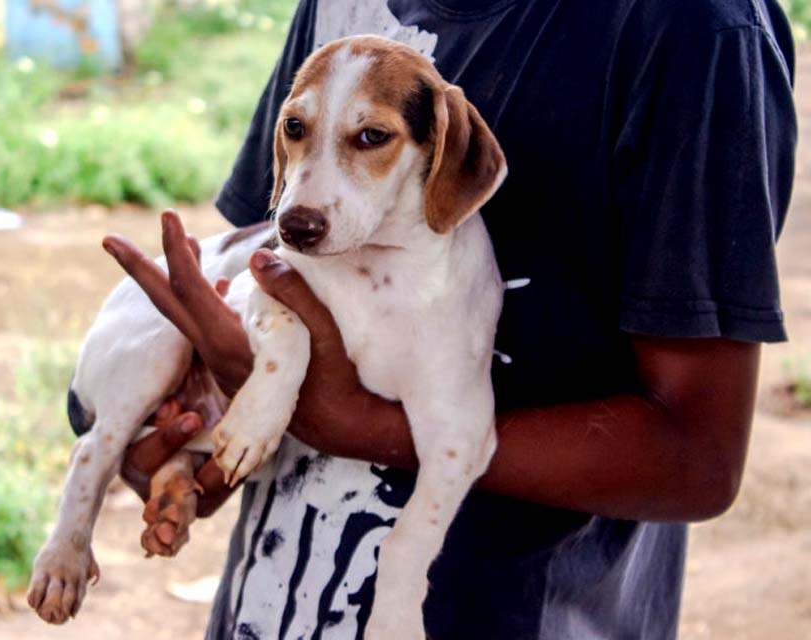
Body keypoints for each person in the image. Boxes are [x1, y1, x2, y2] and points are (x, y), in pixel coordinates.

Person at [102, 0, 797, 637]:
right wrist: (200, 437)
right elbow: (283, 246)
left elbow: (698, 458)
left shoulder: (694, 30)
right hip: (270, 609)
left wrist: (353, 424)